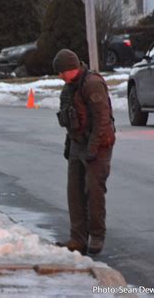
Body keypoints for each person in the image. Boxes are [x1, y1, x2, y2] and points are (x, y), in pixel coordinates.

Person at [53, 49, 115, 255]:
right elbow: (69, 121)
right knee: (75, 192)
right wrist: (69, 147)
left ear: (70, 69)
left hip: (99, 143)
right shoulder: (69, 88)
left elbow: (102, 121)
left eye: (61, 72)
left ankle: (97, 236)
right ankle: (78, 238)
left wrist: (92, 149)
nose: (60, 77)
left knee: (94, 191)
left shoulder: (92, 84)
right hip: (78, 143)